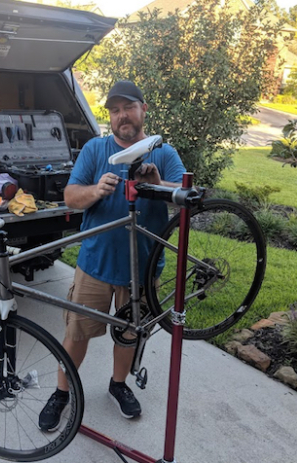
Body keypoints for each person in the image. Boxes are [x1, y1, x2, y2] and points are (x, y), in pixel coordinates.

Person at [38, 80, 186, 431]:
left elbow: (188, 196)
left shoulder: (163, 153)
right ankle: (61, 392)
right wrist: (96, 191)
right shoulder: (96, 149)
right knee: (77, 333)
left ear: (143, 109)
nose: (122, 116)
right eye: (115, 110)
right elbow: (71, 197)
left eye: (128, 107)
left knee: (130, 333)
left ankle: (118, 385)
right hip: (96, 264)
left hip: (143, 267)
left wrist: (159, 184)